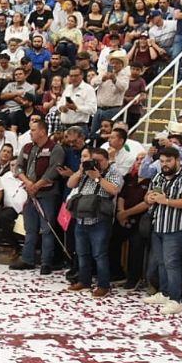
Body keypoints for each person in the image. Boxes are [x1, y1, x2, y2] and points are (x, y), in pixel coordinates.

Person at [143, 146, 182, 316]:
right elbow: (147, 197)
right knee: (161, 262)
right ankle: (165, 293)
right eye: (162, 161)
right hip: (157, 225)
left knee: (172, 264)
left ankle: (175, 299)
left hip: (174, 227)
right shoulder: (159, 176)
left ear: (178, 160)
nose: (165, 164)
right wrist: (150, 198)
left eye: (168, 161)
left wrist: (165, 200)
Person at [65, 147, 123, 297]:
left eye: (99, 161)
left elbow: (114, 190)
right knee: (82, 253)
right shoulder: (85, 172)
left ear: (107, 160)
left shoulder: (114, 173)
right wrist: (80, 171)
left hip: (100, 220)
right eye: (93, 161)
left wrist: (97, 177)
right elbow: (70, 184)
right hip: (81, 218)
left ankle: (103, 285)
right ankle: (84, 281)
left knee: (100, 254)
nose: (96, 164)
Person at [11, 119, 64, 273]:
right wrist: (28, 183)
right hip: (30, 193)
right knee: (30, 228)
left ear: (42, 131)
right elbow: (18, 167)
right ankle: (27, 259)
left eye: (33, 130)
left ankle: (46, 262)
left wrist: (37, 185)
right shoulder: (28, 148)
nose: (31, 133)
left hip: (47, 194)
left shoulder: (55, 148)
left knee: (47, 229)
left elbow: (53, 171)